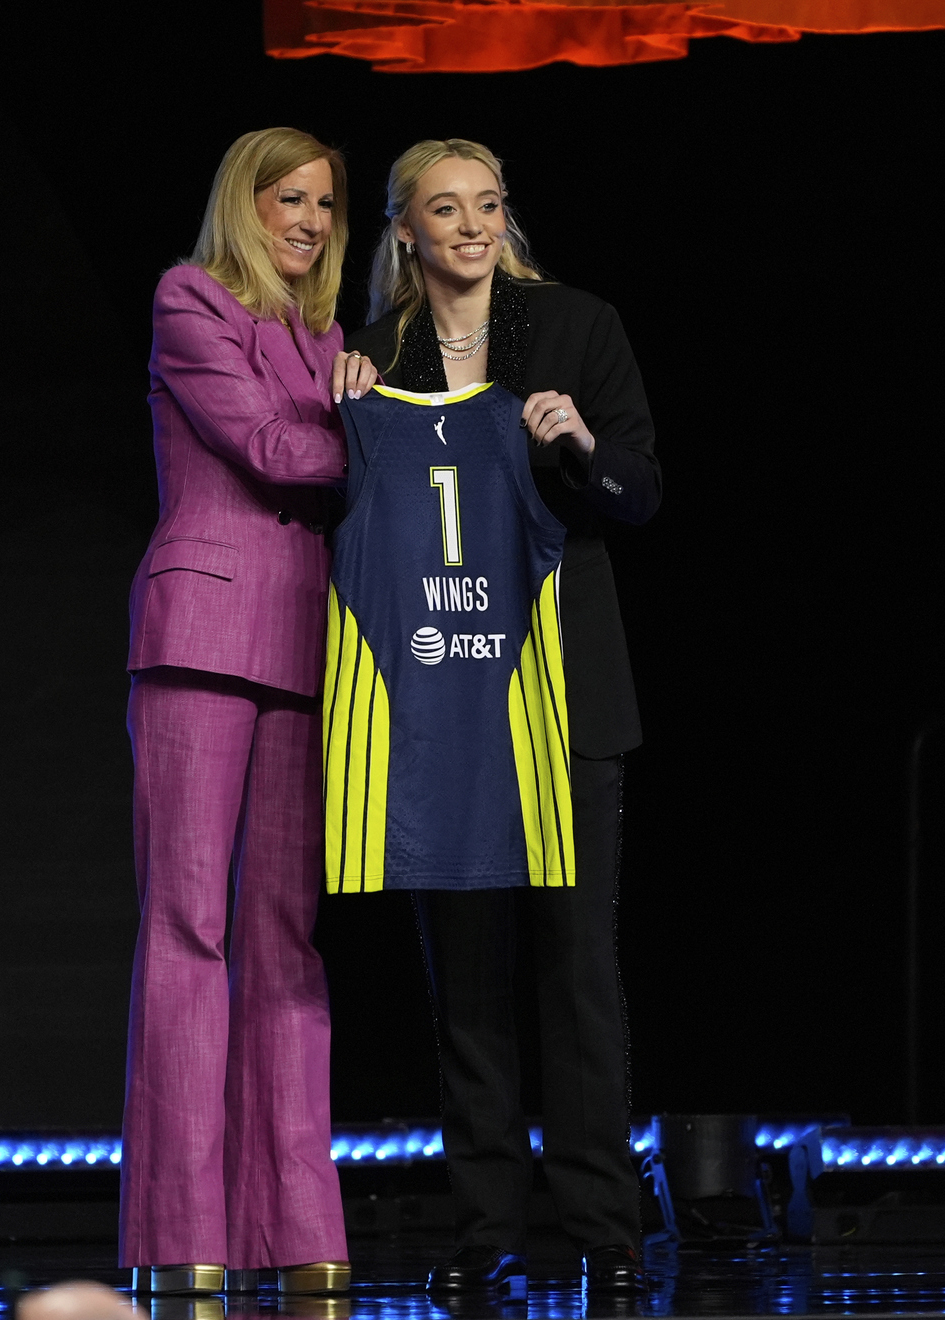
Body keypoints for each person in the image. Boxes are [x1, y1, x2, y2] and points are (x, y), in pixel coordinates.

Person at [344, 138, 663, 1295]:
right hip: (441, 706)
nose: (471, 226)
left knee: (577, 969)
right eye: (445, 209)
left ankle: (605, 1228)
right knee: (466, 984)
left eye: (487, 205)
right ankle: (485, 1238)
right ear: (407, 232)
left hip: (567, 698)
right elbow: (352, 522)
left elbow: (640, 489)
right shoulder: (372, 353)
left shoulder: (576, 324)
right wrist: (339, 417)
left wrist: (580, 444)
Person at [121, 127, 377, 1296]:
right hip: (204, 640)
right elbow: (274, 448)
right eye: (291, 197)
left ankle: (299, 1228)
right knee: (190, 930)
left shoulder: (331, 339)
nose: (312, 220)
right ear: (246, 201)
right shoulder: (193, 299)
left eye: (327, 203)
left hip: (307, 649)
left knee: (286, 943)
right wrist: (378, 422)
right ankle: (185, 1236)